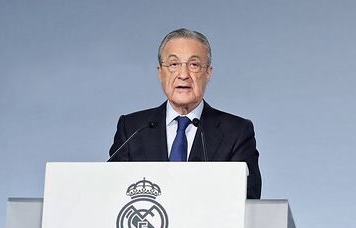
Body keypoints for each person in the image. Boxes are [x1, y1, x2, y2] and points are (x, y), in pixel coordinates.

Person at [108, 28, 261, 199]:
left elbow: (248, 199)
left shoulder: (237, 132)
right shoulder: (131, 128)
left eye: (194, 65)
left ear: (208, 72)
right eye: (173, 64)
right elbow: (111, 191)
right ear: (160, 72)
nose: (183, 75)